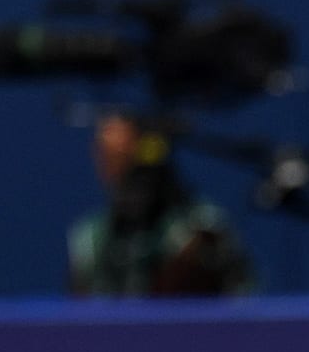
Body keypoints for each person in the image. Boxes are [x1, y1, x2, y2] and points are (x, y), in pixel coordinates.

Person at [67, 111, 256, 298]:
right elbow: (79, 309)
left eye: (120, 152)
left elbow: (239, 301)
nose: (107, 161)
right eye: (103, 154)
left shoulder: (201, 229)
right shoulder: (91, 239)